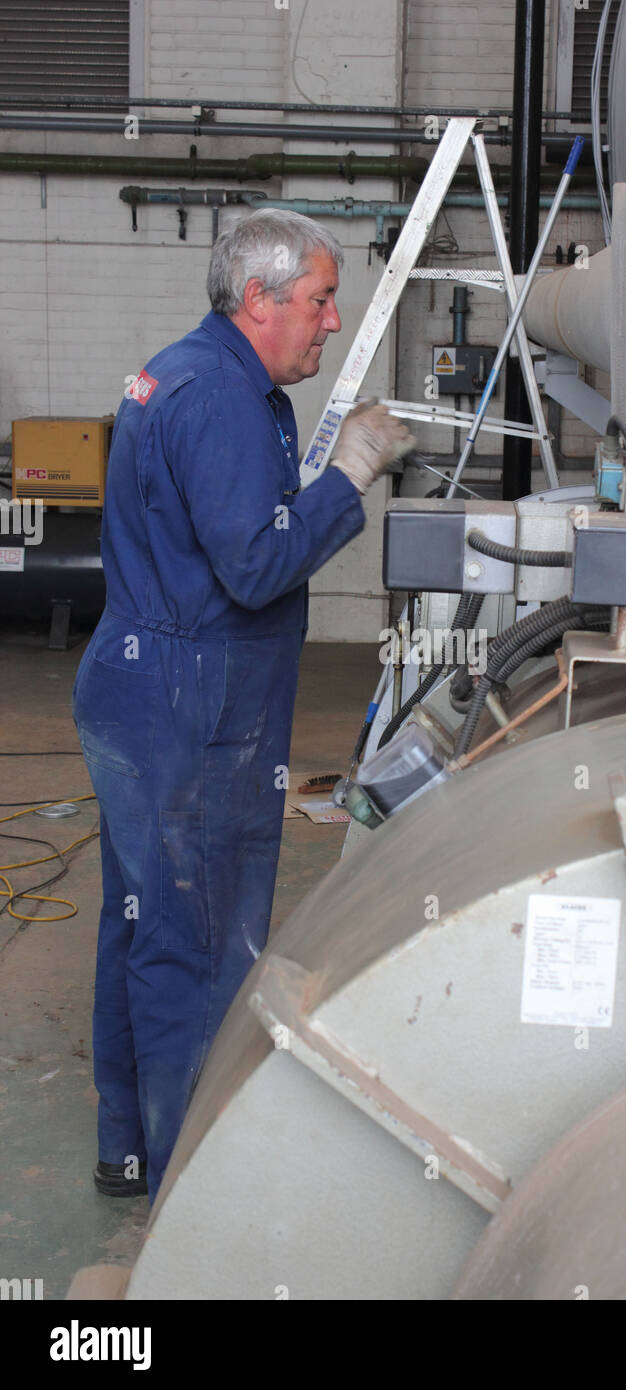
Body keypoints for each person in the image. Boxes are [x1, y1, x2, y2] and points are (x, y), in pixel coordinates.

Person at [72, 209, 411, 1203]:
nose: (332, 321)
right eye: (316, 300)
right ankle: (194, 1181)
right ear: (258, 299)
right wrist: (351, 472)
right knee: (197, 937)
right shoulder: (220, 396)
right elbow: (257, 565)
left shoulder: (193, 372)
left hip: (143, 684)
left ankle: (128, 1143)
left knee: (140, 921)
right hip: (188, 705)